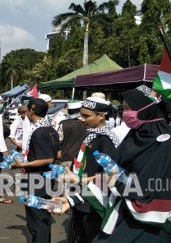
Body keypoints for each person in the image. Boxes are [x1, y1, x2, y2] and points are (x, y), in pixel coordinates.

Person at [87, 89, 171, 242]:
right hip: (127, 210)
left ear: (146, 109)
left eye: (129, 108)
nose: (125, 113)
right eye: (124, 108)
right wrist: (75, 193)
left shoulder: (167, 143)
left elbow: (144, 188)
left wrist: (115, 181)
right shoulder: (134, 136)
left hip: (155, 220)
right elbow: (115, 170)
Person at [55, 96, 120, 243]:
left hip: (94, 203)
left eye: (86, 116)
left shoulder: (106, 140)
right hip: (81, 197)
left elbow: (110, 175)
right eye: (81, 114)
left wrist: (80, 180)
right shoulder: (91, 135)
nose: (82, 119)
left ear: (101, 116)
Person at [11, 98, 60, 243]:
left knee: (37, 221)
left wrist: (21, 165)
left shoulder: (39, 132)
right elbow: (57, 155)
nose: (25, 114)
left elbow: (47, 159)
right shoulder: (51, 129)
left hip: (37, 180)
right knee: (43, 218)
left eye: (26, 111)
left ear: (31, 111)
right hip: (47, 180)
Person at [57, 100, 86, 165]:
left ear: (68, 111)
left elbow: (58, 141)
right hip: (81, 159)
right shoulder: (86, 124)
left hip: (66, 159)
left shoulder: (63, 124)